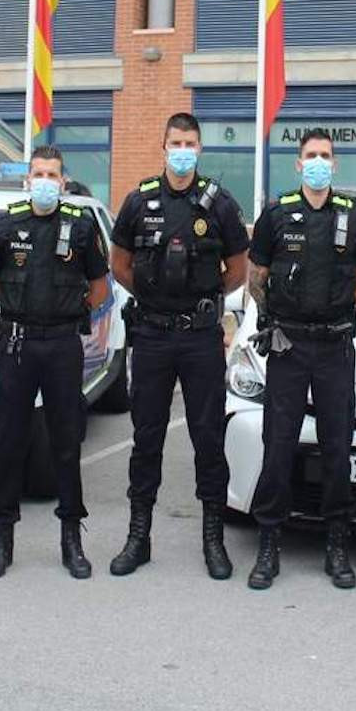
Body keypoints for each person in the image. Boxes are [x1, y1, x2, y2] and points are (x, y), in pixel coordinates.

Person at [108, 112, 249, 580]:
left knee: (207, 437)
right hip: (150, 335)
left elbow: (238, 268)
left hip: (200, 337)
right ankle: (138, 536)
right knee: (146, 436)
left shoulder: (220, 205)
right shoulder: (139, 201)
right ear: (163, 146)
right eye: (176, 142)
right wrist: (152, 299)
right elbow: (120, 263)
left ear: (199, 148)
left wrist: (203, 304)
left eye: (190, 142)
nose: (183, 150)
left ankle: (213, 540)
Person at [244, 129, 356, 590]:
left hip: (335, 348)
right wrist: (269, 317)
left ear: (333, 164)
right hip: (289, 347)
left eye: (325, 156)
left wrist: (346, 313)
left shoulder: (351, 216)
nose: (318, 162)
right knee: (278, 445)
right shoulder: (276, 215)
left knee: (338, 446)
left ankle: (337, 543)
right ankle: (269, 542)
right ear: (299, 165)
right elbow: (256, 276)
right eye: (310, 156)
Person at [0, 147, 110, 580]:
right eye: (37, 173)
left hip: (61, 346)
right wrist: (19, 313)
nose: (44, 181)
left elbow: (98, 287)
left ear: (63, 180)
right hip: (17, 345)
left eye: (51, 174)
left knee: (66, 443)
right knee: (7, 442)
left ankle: (71, 537)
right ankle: (3, 537)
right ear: (26, 179)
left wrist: (66, 316)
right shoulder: (6, 224)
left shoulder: (80, 226)